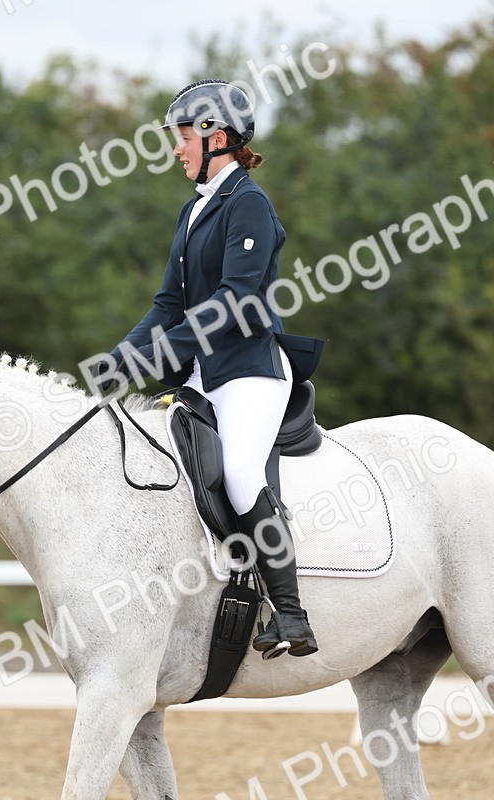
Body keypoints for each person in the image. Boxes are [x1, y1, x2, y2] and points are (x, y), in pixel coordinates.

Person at [106, 79, 322, 658]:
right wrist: (123, 358)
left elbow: (235, 301)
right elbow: (167, 305)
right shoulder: (195, 208)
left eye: (182, 138)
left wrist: (156, 354)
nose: (177, 149)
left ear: (216, 137)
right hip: (204, 373)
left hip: (250, 369)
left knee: (240, 475)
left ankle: (293, 614)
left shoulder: (248, 203)